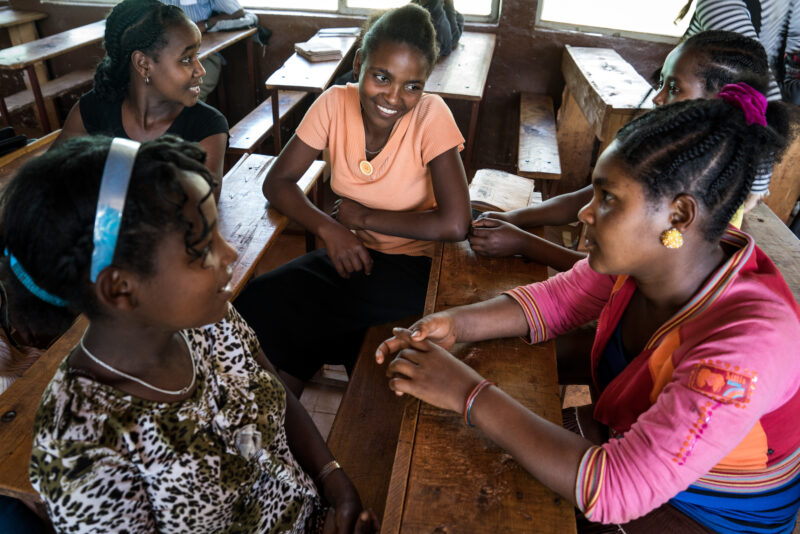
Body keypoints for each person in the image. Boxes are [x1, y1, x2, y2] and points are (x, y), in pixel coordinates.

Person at [376, 91, 800, 534]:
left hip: (712, 514)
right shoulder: (647, 262)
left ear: (677, 216)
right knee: (474, 464)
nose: (585, 212)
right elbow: (557, 301)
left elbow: (616, 489)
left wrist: (468, 393)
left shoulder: (749, 344)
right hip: (631, 446)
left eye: (608, 199)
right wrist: (455, 324)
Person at [21, 135, 378, 533]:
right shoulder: (82, 446)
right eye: (201, 248)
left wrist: (333, 480)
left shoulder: (211, 321)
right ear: (120, 289)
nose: (229, 254)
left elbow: (273, 387)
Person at [234, 4, 471, 397]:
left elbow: (455, 224)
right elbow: (278, 182)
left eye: (412, 85)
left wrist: (363, 217)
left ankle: (284, 414)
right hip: (356, 254)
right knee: (258, 301)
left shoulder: (431, 115)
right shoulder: (332, 104)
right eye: (382, 77)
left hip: (418, 267)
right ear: (360, 61)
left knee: (316, 315)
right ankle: (279, 417)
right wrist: (330, 229)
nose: (394, 98)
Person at [469, 30, 792, 271]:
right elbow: (585, 197)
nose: (658, 98)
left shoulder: (711, 193)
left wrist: (523, 242)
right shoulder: (665, 152)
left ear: (721, 101)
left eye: (674, 87)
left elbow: (616, 277)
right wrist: (514, 217)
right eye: (661, 82)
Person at [54, 0, 228, 191]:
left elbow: (200, 206)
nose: (201, 70)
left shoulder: (207, 126)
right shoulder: (92, 109)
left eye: (197, 55)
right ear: (143, 64)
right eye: (186, 59)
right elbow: (49, 179)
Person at [678, 0, 800, 104]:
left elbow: (787, 80)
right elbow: (757, 90)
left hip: (744, 104)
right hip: (690, 111)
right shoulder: (720, 3)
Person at [159, 0, 258, 101]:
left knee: (185, 97)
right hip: (164, 59)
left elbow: (237, 12)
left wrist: (207, 24)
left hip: (204, 57)